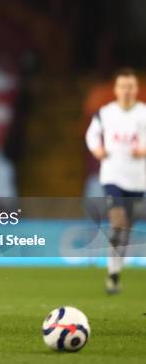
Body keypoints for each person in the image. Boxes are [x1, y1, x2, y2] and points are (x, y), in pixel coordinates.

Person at [85, 67, 146, 294]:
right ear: (116, 89)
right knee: (118, 223)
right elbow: (91, 134)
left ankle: (114, 273)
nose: (127, 90)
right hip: (112, 176)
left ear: (136, 89)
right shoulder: (106, 112)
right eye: (123, 86)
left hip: (138, 180)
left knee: (126, 230)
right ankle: (112, 272)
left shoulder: (143, 113)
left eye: (131, 86)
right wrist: (97, 149)